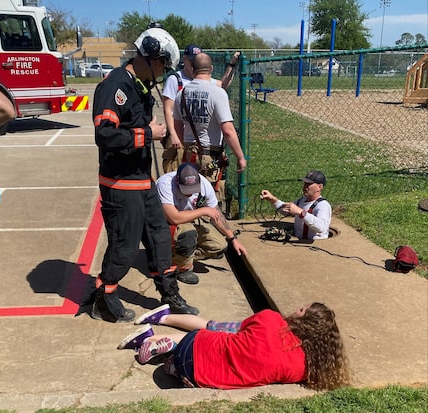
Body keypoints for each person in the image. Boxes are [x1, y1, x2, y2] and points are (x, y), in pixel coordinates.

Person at [92, 25, 198, 322]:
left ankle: (169, 293)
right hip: (119, 181)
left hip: (141, 178)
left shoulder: (139, 87)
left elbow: (135, 127)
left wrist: (159, 134)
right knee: (124, 246)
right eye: (163, 64)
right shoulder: (116, 86)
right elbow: (105, 135)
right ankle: (104, 296)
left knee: (159, 236)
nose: (163, 70)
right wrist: (146, 133)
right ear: (151, 57)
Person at [118, 302, 350, 391]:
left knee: (211, 333)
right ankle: (170, 362)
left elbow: (233, 329)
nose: (296, 308)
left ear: (303, 321)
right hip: (197, 378)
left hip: (197, 342)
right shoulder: (301, 369)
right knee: (176, 367)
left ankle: (161, 340)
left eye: (301, 310)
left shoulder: (270, 319)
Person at [156, 163, 247, 284]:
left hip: (188, 219)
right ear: (177, 180)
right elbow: (174, 218)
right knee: (188, 233)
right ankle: (182, 268)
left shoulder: (204, 184)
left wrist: (233, 239)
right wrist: (204, 210)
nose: (189, 193)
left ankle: (176, 257)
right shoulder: (165, 184)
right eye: (185, 190)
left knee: (219, 246)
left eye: (192, 190)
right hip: (164, 224)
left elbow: (217, 215)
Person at [173, 52, 246, 201]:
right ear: (211, 68)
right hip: (210, 156)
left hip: (188, 154)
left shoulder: (182, 94)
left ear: (193, 69)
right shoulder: (217, 93)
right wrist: (240, 157)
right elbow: (228, 130)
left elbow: (178, 126)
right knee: (210, 200)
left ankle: (191, 220)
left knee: (189, 198)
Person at [161, 45, 240, 173]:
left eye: (196, 59)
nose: (193, 63)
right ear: (185, 59)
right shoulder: (175, 79)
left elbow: (222, 84)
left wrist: (231, 65)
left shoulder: (208, 81)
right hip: (181, 135)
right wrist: (174, 135)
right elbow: (168, 109)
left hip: (202, 143)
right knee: (177, 173)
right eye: (191, 59)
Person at [261, 170, 332, 240]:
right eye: (305, 183)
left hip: (317, 246)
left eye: (309, 184)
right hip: (298, 244)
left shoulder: (323, 205)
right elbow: (285, 210)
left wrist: (301, 212)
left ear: (320, 187)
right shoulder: (301, 201)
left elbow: (322, 228)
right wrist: (272, 199)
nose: (305, 186)